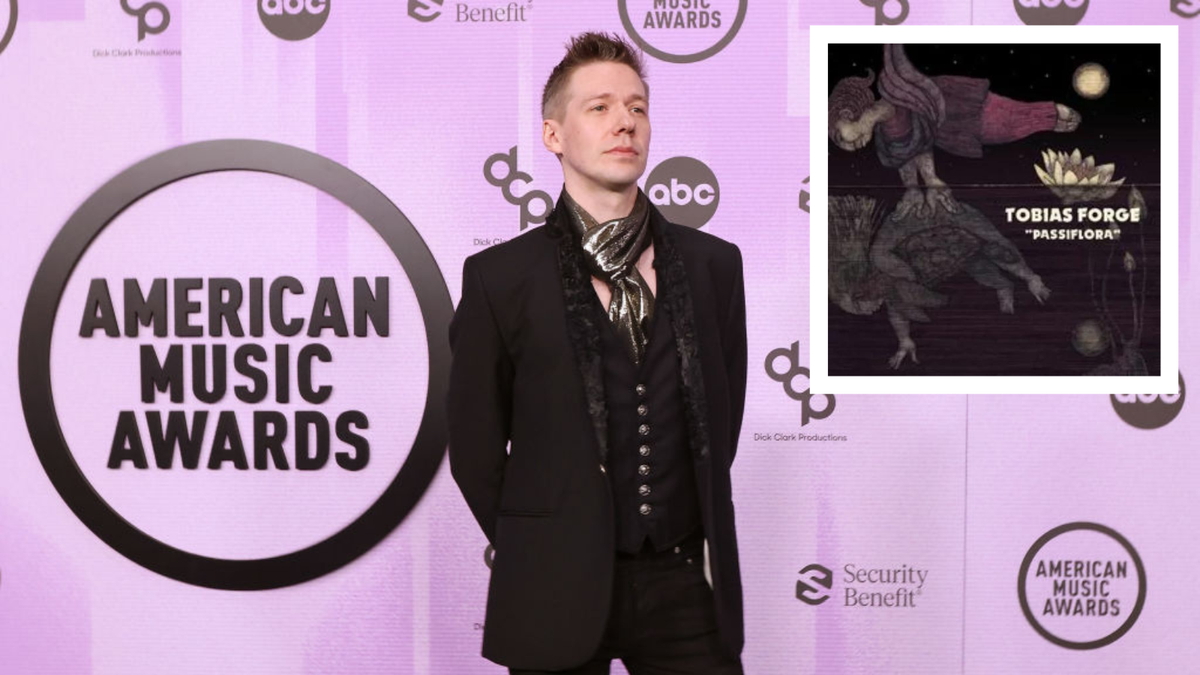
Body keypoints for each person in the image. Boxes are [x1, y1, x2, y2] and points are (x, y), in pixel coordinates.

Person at [447, 31, 747, 674]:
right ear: (554, 135)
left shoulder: (713, 265)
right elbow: (474, 449)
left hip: (681, 583)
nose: (625, 123)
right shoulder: (500, 278)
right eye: (600, 107)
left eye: (637, 107)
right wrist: (541, 546)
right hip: (551, 588)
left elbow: (720, 426)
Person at [829, 43, 1082, 220]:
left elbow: (890, 113)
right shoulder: (883, 135)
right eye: (846, 147)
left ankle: (1050, 112)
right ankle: (1049, 118)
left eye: (843, 137)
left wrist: (865, 122)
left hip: (953, 105)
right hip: (950, 129)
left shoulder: (885, 100)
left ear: (847, 114)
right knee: (1006, 131)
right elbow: (914, 148)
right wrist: (922, 185)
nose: (853, 146)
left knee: (1005, 120)